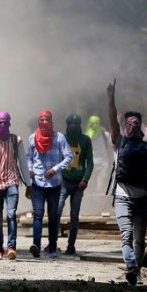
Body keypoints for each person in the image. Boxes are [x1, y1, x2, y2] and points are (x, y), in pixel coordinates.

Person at [107, 79, 147, 286]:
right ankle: (135, 270)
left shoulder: (121, 142)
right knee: (136, 239)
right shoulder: (142, 146)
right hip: (137, 199)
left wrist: (111, 98)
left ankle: (134, 270)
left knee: (130, 238)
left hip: (130, 199)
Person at [0, 112, 32, 261]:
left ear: (10, 123)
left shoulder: (17, 141)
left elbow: (23, 163)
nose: (3, 125)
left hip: (12, 182)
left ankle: (11, 247)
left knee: (11, 215)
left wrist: (29, 184)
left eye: (6, 122)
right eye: (0, 122)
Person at [26, 110, 73, 259]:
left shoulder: (59, 137)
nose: (44, 122)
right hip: (38, 183)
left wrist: (55, 169)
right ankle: (36, 246)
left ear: (52, 121)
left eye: (47, 119)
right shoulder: (33, 138)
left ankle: (52, 247)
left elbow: (69, 157)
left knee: (53, 216)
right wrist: (30, 170)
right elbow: (28, 157)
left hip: (55, 184)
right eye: (41, 119)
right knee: (38, 215)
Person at [57, 114, 93, 255]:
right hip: (64, 182)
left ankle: (71, 245)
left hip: (79, 184)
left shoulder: (85, 140)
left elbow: (89, 162)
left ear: (80, 125)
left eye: (76, 123)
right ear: (67, 125)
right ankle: (52, 243)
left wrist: (85, 179)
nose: (73, 126)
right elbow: (57, 159)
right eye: (70, 123)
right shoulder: (62, 139)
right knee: (57, 210)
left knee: (74, 214)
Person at [85, 115, 112, 193]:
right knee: (90, 186)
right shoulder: (86, 136)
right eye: (93, 123)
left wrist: (110, 161)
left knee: (101, 186)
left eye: (96, 123)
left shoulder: (105, 135)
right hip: (91, 163)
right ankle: (90, 202)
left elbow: (109, 148)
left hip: (103, 163)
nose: (95, 125)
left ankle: (99, 202)